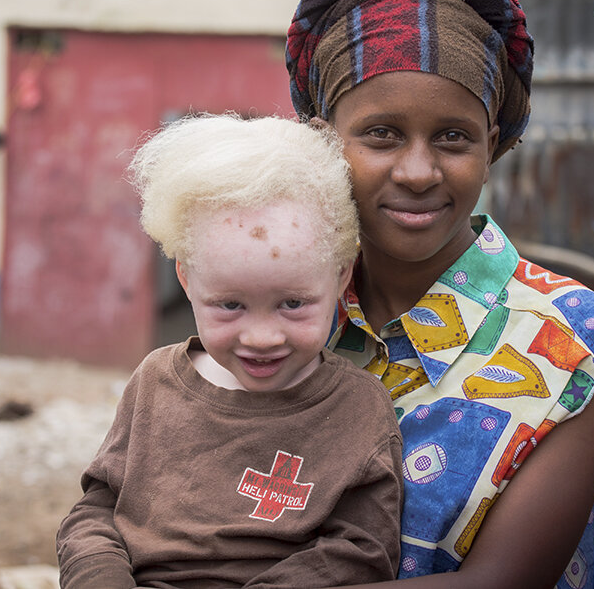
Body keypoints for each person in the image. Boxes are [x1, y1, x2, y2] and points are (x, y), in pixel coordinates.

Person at [284, 0, 594, 588]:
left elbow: (503, 581)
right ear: (324, 142)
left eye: (453, 137)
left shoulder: (569, 338)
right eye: (381, 134)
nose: (418, 171)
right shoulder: (284, 317)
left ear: (491, 145)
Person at [56, 113, 405, 588]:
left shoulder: (357, 409)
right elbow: (96, 510)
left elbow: (362, 550)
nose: (262, 337)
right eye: (230, 305)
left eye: (293, 304)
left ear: (341, 275)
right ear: (186, 279)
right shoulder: (156, 382)